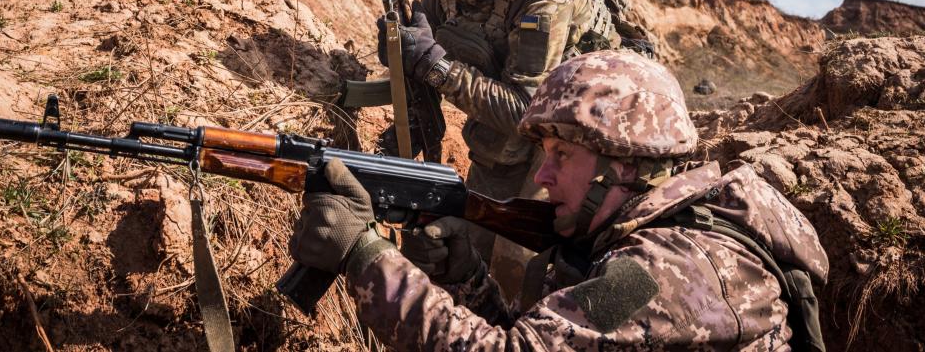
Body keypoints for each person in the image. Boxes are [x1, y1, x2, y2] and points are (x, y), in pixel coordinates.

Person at [290, 50, 829, 350]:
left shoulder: (666, 272)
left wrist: (364, 254)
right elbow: (540, 337)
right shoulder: (631, 241)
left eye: (563, 155)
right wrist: (467, 279)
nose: (543, 175)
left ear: (625, 162)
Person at [377, 0, 643, 299]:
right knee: (466, 256)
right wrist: (400, 54)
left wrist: (435, 66)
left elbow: (525, 110)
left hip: (578, 143)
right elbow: (422, 59)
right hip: (502, 143)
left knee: (519, 273)